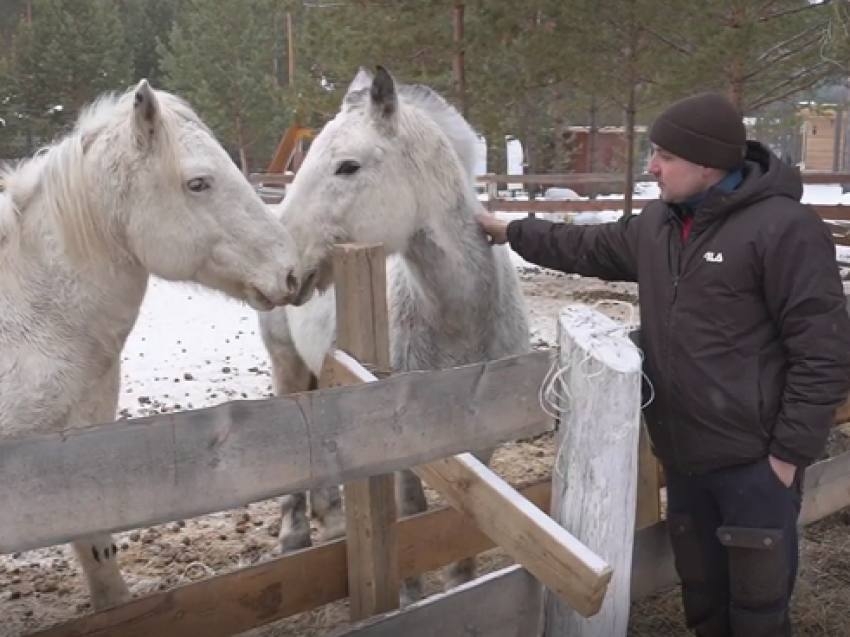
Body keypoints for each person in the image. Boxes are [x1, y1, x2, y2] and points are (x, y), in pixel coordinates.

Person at [477, 92, 850, 636]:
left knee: (758, 612)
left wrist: (787, 457)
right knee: (702, 599)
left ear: (706, 163)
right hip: (685, 457)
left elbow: (823, 351)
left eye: (663, 156)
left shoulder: (784, 229)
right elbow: (582, 245)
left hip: (755, 464)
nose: (651, 167)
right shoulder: (657, 225)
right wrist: (509, 230)